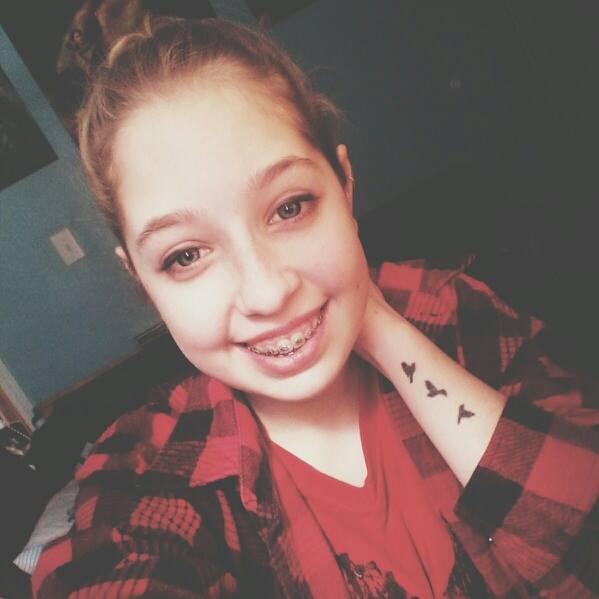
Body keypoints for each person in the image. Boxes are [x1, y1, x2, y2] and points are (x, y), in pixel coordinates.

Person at [32, 16, 598, 598]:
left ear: (344, 185)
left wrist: (376, 320)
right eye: (186, 255)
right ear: (142, 279)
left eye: (290, 207)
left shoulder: (451, 309)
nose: (267, 293)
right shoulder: (145, 470)